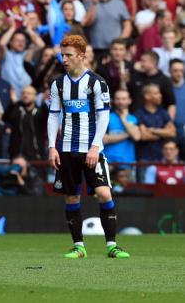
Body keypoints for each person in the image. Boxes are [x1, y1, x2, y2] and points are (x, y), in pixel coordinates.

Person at [47, 35, 130, 259]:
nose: (64, 59)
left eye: (69, 55)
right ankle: (78, 246)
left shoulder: (96, 82)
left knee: (104, 193)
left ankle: (112, 245)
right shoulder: (57, 84)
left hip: (91, 149)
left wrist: (95, 147)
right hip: (66, 149)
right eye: (62, 55)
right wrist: (52, 147)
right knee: (71, 197)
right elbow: (53, 116)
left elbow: (103, 117)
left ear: (82, 56)